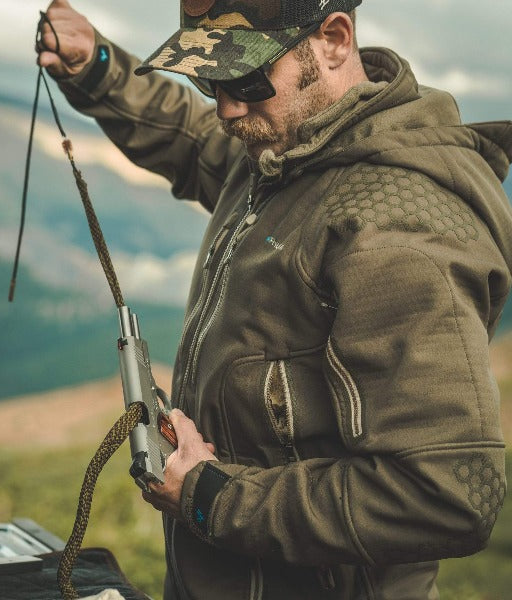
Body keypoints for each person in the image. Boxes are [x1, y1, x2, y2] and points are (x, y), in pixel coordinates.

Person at [37, 1, 512, 598]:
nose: (227, 107)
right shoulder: (283, 151)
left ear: (335, 40)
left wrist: (211, 498)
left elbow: (444, 495)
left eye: (245, 77)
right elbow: (194, 143)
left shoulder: (400, 234)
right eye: (210, 77)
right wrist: (97, 66)